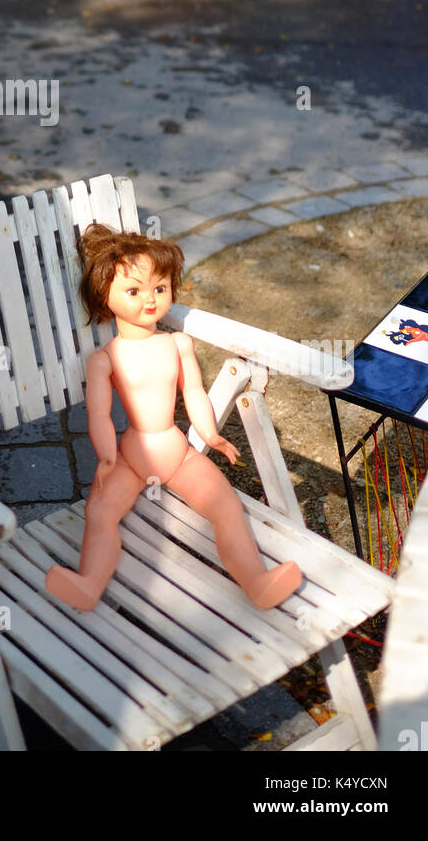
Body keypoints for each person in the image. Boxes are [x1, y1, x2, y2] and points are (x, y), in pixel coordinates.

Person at [43, 224, 302, 613]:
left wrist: (210, 434)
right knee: (100, 514)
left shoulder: (177, 343)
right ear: (104, 296)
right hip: (130, 457)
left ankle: (257, 582)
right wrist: (108, 457)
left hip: (178, 453)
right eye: (134, 291)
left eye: (159, 289)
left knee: (225, 505)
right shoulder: (105, 359)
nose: (150, 300)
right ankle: (88, 584)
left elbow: (194, 392)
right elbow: (98, 414)